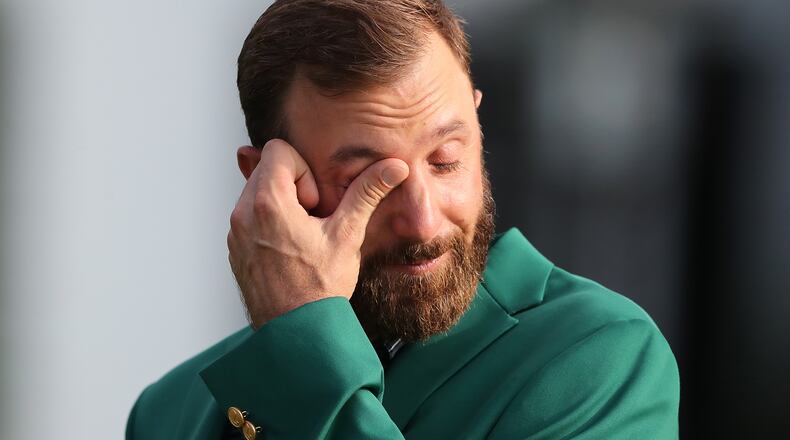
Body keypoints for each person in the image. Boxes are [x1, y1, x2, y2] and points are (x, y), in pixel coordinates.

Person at [125, 1, 680, 439]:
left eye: (446, 160)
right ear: (267, 185)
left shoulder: (600, 360)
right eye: (365, 181)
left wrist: (302, 339)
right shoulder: (168, 413)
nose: (422, 222)